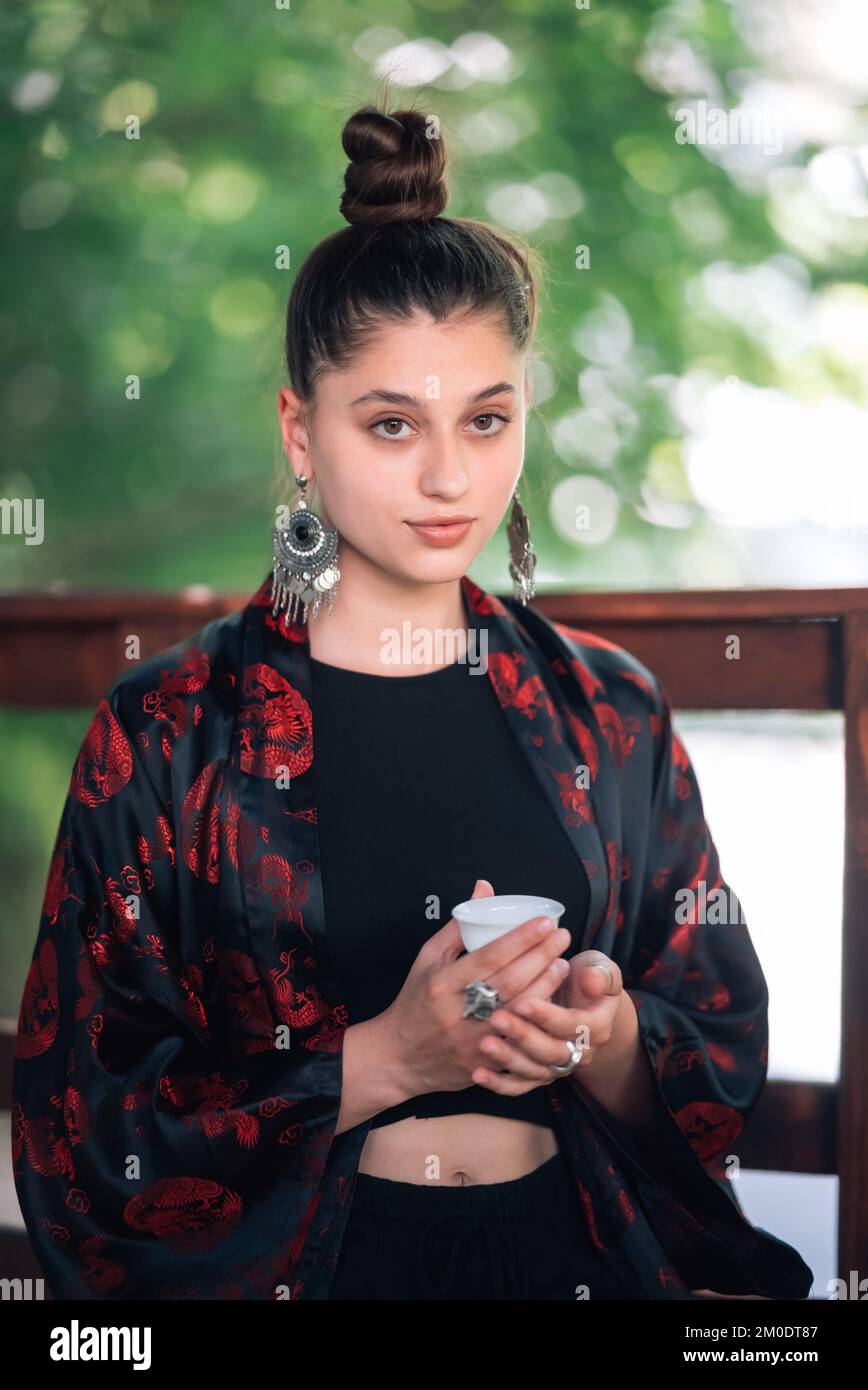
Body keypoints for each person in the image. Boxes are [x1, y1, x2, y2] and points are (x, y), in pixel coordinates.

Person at [12, 103, 814, 1302]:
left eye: (486, 419)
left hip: (576, 1256)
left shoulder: (608, 711)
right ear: (301, 431)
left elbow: (721, 1043)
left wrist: (597, 1033)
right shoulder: (172, 731)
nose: (450, 477)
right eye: (392, 424)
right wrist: (384, 1059)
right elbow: (83, 1121)